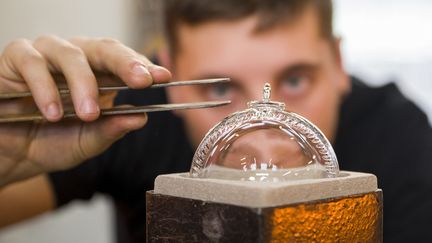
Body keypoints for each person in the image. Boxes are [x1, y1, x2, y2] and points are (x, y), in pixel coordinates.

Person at [0, 0, 431, 242]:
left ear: (338, 61)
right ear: (168, 72)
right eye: (219, 89)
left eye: (296, 79)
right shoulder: (121, 115)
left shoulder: (398, 133)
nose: (262, 138)